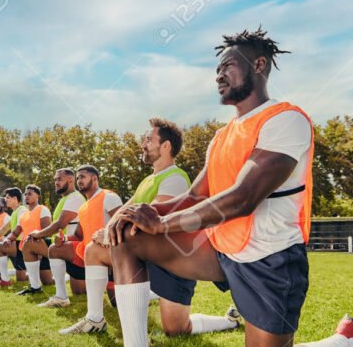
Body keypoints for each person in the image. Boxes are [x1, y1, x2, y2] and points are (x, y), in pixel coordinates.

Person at [76, 27, 353, 347]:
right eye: (217, 69)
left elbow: (243, 197)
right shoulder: (221, 137)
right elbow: (194, 197)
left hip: (270, 259)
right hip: (219, 250)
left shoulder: (285, 120)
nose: (218, 75)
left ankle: (346, 339)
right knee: (127, 236)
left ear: (259, 65)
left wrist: (163, 222)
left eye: (228, 66)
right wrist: (133, 213)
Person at [62, 118, 241, 335]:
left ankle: (229, 321)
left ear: (165, 146)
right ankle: (94, 319)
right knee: (93, 250)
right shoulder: (146, 181)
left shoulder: (175, 178)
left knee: (176, 329)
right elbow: (124, 211)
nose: (143, 145)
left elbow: (150, 220)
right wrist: (107, 230)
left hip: (172, 261)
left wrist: (110, 235)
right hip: (145, 254)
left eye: (148, 140)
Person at [38, 165, 122, 308]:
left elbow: (124, 223)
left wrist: (107, 235)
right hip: (87, 255)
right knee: (55, 249)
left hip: (109, 256)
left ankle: (152, 292)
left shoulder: (109, 197)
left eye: (82, 177)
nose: (79, 181)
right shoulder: (83, 207)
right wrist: (64, 239)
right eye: (77, 178)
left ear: (94, 178)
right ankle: (61, 297)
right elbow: (78, 235)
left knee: (116, 302)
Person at [18, 168, 86, 296]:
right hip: (60, 244)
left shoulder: (75, 198)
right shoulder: (66, 199)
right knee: (29, 243)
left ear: (70, 180)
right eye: (55, 180)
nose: (56, 182)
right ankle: (35, 287)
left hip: (73, 248)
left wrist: (38, 234)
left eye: (59, 179)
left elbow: (59, 224)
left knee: (80, 292)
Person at [0, 185, 52, 289]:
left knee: (47, 282)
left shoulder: (42, 209)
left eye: (30, 194)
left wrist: (38, 249)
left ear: (37, 196)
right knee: (34, 279)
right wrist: (7, 239)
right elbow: (15, 232)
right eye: (25, 194)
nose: (27, 196)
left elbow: (47, 231)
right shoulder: (24, 215)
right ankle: (30, 283)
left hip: (42, 247)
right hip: (27, 249)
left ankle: (66, 277)